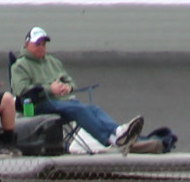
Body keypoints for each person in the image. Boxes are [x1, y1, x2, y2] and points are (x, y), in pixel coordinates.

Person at [9, 26, 144, 149]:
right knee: (78, 109)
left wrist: (68, 87)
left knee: (93, 109)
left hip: (63, 102)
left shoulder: (52, 61)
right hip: (40, 105)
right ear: (27, 44)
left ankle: (118, 131)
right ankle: (109, 140)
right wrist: (50, 89)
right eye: (37, 44)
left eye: (43, 44)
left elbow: (70, 81)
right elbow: (21, 90)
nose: (41, 47)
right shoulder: (20, 66)